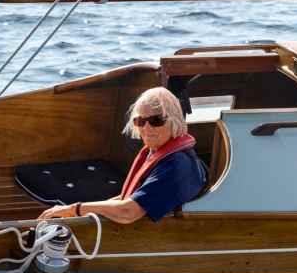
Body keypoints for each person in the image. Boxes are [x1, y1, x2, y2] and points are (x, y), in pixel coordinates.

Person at [38, 87, 206, 224]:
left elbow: (128, 211)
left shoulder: (177, 165)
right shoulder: (156, 153)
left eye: (156, 121)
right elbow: (126, 200)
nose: (147, 129)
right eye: (140, 121)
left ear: (175, 120)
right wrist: (74, 212)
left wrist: (74, 209)